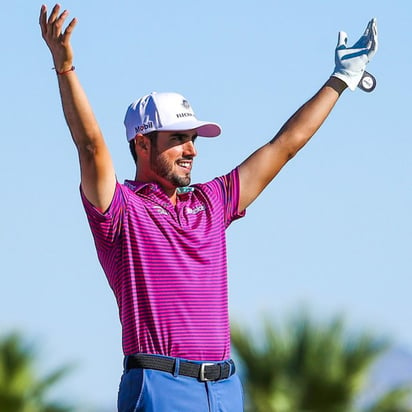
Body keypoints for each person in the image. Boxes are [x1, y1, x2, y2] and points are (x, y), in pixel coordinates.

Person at [39, 4, 378, 412]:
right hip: (158, 384)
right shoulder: (120, 210)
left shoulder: (213, 201)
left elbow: (284, 146)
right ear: (142, 144)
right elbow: (90, 145)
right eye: (179, 138)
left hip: (224, 389)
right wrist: (65, 69)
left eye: (195, 138)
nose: (192, 150)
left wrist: (339, 80)